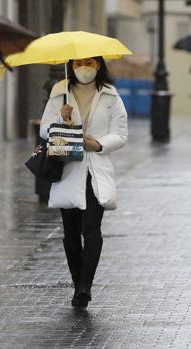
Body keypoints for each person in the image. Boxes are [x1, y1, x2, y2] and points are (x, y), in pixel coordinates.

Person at [40, 57, 128, 308]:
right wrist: (60, 117)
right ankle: (77, 280)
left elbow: (121, 134)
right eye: (78, 64)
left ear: (98, 65)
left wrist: (99, 144)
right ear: (71, 66)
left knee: (91, 230)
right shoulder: (60, 92)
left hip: (95, 169)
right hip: (68, 168)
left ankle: (84, 287)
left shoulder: (111, 96)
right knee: (70, 235)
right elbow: (44, 129)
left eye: (88, 63)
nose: (83, 68)